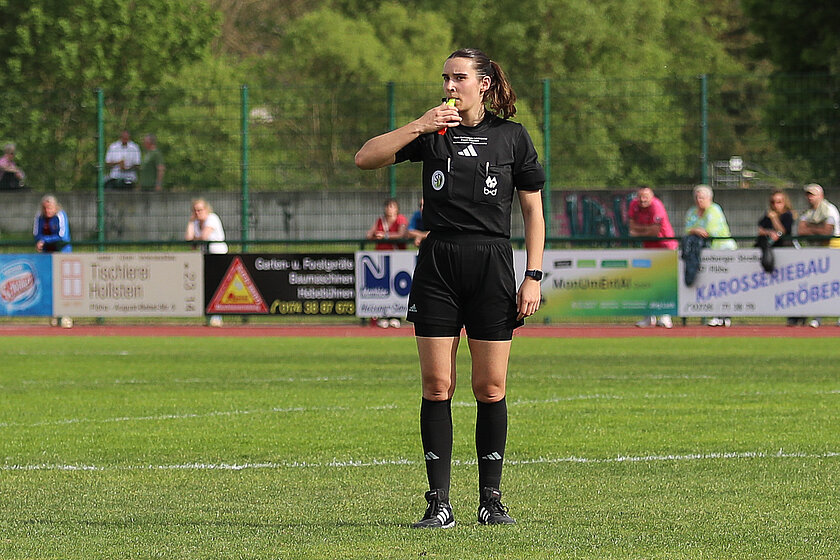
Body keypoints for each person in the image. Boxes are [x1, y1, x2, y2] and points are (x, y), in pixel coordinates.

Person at [355, 47, 545, 528]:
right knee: (437, 386)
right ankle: (438, 504)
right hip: (438, 263)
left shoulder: (512, 138)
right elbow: (365, 157)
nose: (449, 86)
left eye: (458, 78)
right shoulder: (432, 133)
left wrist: (533, 275)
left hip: (493, 264)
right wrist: (419, 125)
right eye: (444, 78)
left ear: (483, 84)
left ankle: (491, 500)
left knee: (490, 386)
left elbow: (533, 213)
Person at [684, 184, 736, 327]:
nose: (699, 200)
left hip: (723, 252)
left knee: (723, 284)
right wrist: (695, 230)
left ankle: (723, 315)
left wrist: (695, 230)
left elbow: (709, 231)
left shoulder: (714, 210)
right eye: (697, 197)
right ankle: (717, 314)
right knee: (709, 284)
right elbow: (687, 229)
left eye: (702, 197)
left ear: (709, 198)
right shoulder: (692, 212)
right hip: (705, 254)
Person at [628, 186, 677, 328]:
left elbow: (655, 231)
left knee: (664, 282)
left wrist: (640, 231)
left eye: (646, 197)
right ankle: (649, 317)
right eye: (640, 197)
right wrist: (645, 230)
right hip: (648, 248)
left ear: (652, 196)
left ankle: (665, 316)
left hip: (665, 247)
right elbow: (631, 228)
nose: (643, 200)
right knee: (647, 282)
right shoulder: (634, 205)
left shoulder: (657, 205)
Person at [796, 183, 840, 327]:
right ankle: (817, 317)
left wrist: (811, 228)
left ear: (821, 195)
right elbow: (801, 231)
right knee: (818, 286)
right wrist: (817, 229)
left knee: (835, 285)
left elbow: (827, 233)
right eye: (808, 194)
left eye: (812, 194)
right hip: (818, 251)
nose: (809, 198)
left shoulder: (829, 210)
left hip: (833, 248)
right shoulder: (808, 212)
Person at [366, 198, 409, 327]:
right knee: (383, 287)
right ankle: (383, 314)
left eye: (392, 206)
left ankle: (396, 315)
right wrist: (376, 235)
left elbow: (401, 234)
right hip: (382, 257)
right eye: (387, 206)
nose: (389, 209)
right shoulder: (380, 220)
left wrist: (385, 235)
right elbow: (369, 234)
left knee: (397, 286)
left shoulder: (401, 220)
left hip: (396, 258)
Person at [185, 198, 228, 327]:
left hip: (218, 257)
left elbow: (204, 237)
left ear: (206, 209)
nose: (198, 213)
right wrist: (191, 222)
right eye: (195, 210)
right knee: (207, 288)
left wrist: (195, 239)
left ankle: (216, 317)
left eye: (200, 210)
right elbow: (189, 242)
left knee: (216, 287)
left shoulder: (212, 218)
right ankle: (210, 317)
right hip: (206, 259)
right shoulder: (196, 223)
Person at [33, 195, 73, 328]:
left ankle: (66, 315)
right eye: (45, 208)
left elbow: (62, 235)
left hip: (62, 255)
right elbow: (36, 234)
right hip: (47, 255)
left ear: (55, 207)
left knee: (63, 285)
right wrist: (40, 241)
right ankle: (54, 315)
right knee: (50, 285)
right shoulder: (39, 217)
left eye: (49, 207)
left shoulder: (60, 216)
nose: (47, 210)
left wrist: (44, 240)